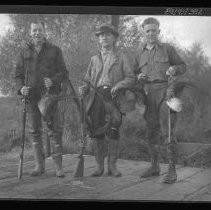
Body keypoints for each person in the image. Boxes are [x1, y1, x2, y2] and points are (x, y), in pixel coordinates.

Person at [133, 17, 186, 184]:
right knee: (151, 131)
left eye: (153, 30)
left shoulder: (168, 49)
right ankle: (154, 167)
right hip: (148, 94)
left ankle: (172, 170)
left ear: (158, 32)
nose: (150, 34)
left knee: (168, 130)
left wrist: (174, 68)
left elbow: (183, 66)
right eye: (147, 31)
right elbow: (133, 73)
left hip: (166, 91)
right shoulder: (139, 52)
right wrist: (137, 76)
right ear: (143, 32)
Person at [79, 24, 135, 177]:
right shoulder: (94, 59)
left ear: (114, 38)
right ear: (98, 39)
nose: (104, 37)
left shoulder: (121, 57)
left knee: (113, 130)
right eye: (101, 35)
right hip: (96, 98)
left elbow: (131, 78)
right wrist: (83, 88)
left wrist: (118, 86)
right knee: (96, 132)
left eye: (107, 35)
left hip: (114, 98)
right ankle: (99, 167)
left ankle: (112, 166)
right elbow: (87, 80)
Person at [14, 21, 68, 178]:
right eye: (34, 30)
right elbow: (17, 75)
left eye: (40, 30)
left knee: (55, 131)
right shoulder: (23, 52)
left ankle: (58, 167)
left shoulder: (55, 50)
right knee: (34, 132)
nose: (37, 33)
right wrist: (20, 88)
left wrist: (53, 80)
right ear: (30, 33)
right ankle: (39, 166)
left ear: (44, 32)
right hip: (30, 98)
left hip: (49, 98)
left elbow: (64, 72)